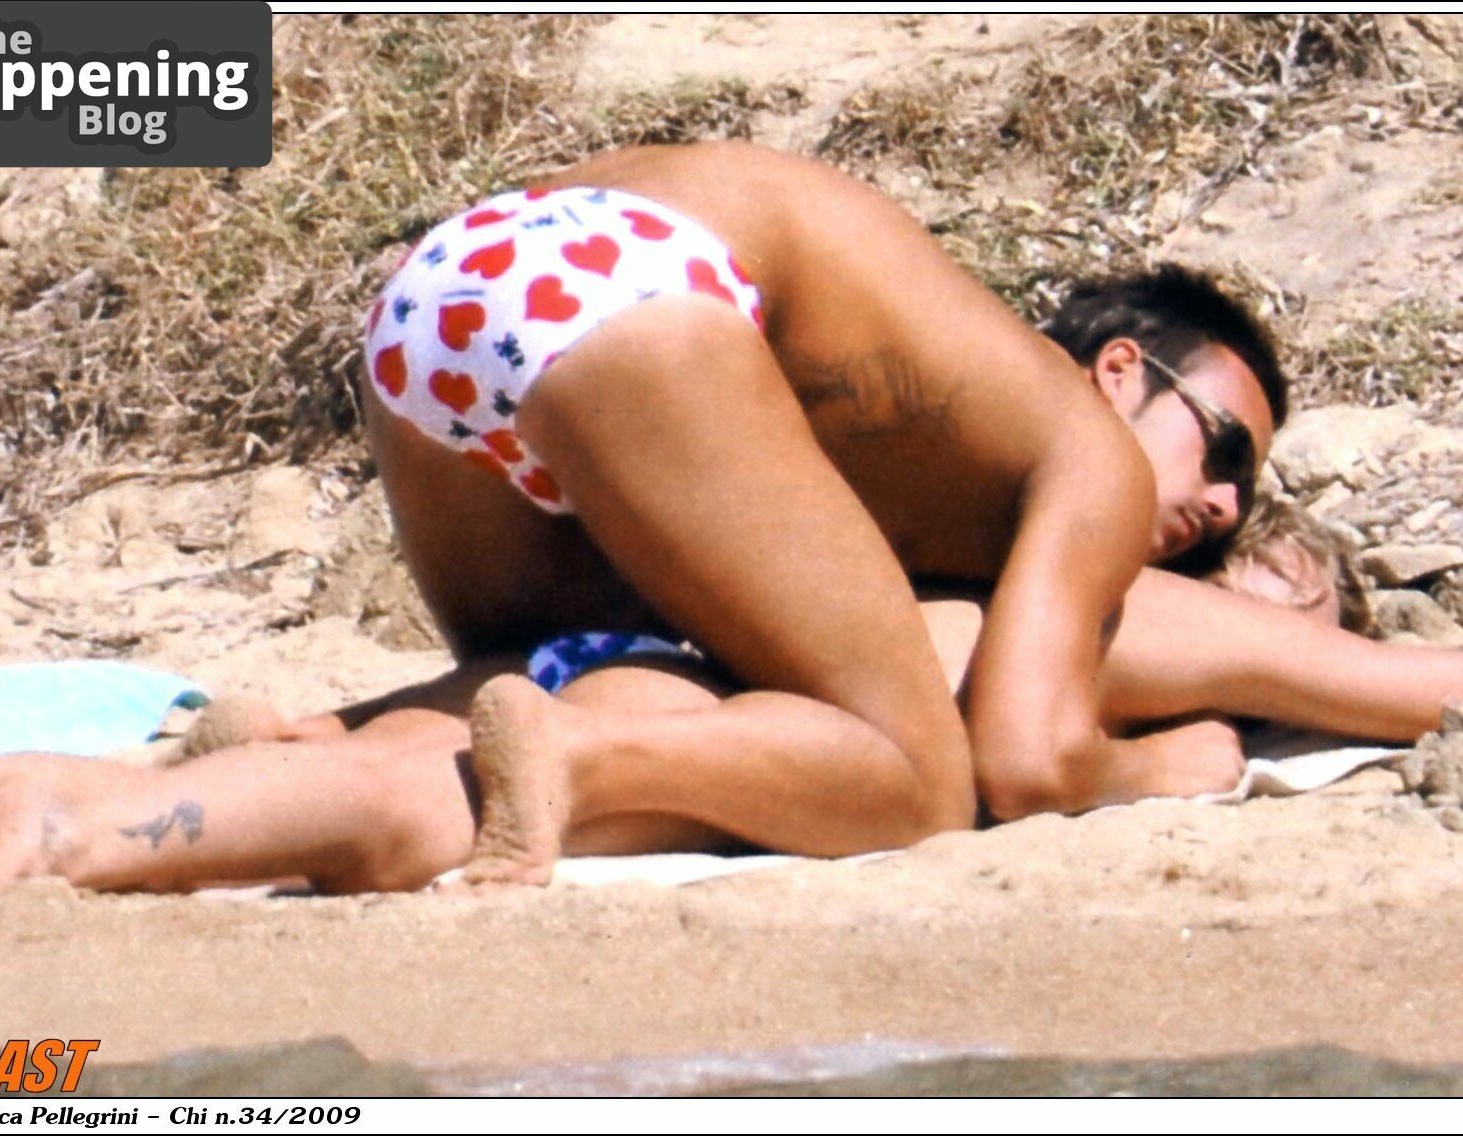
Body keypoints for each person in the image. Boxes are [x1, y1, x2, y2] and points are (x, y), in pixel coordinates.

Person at [337, 141, 1296, 883]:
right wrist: (1151, 766)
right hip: (620, 276)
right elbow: (1025, 765)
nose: (1223, 501)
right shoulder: (1092, 452)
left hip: (440, 290)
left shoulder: (918, 445)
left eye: (1242, 498)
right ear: (1121, 368)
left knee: (567, 672)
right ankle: (589, 756)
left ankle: (303, 748)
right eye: (1224, 449)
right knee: (917, 784)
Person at [0, 503, 1463, 894]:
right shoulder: (1164, 617)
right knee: (413, 811)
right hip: (695, 729)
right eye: (1312, 593)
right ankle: (73, 833)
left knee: (407, 751)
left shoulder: (996, 573)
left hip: (644, 657)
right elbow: (1433, 685)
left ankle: (54, 797)